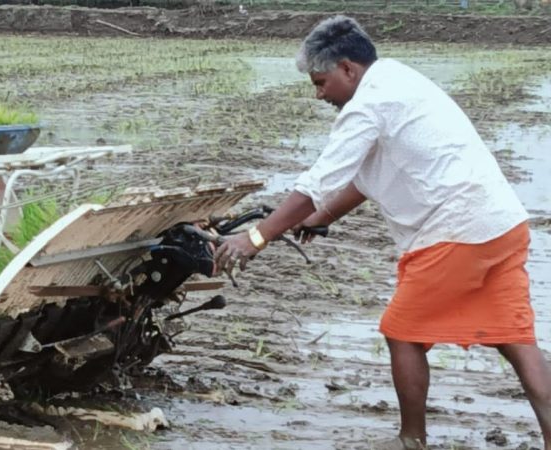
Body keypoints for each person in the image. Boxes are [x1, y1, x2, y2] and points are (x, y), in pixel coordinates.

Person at [215, 15, 551, 450]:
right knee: (517, 340)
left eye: (320, 82)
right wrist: (323, 218)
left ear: (348, 69)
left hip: (458, 231)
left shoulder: (367, 105)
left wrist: (255, 238)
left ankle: (411, 440)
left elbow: (317, 181)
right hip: (502, 226)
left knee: (402, 331)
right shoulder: (397, 78)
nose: (319, 95)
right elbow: (364, 177)